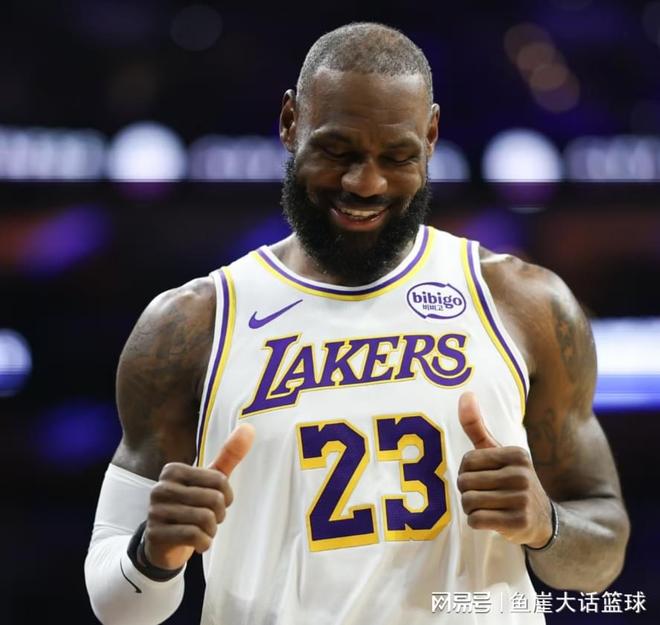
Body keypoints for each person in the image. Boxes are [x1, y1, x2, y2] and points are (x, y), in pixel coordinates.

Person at [85, 22, 630, 625]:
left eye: (396, 156)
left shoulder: (524, 304)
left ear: (431, 136)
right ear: (290, 123)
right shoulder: (191, 325)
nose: (365, 183)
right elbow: (117, 606)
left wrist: (544, 525)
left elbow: (602, 552)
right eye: (337, 152)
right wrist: (153, 554)